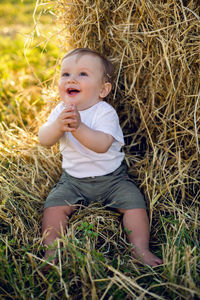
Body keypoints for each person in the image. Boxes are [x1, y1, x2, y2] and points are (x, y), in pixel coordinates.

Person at [38, 48, 162, 267]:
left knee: (135, 204)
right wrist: (57, 126)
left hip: (112, 180)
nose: (71, 79)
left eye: (82, 74)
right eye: (65, 74)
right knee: (53, 206)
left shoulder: (104, 112)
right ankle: (52, 252)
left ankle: (140, 249)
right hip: (73, 181)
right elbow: (44, 139)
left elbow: (102, 145)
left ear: (103, 89)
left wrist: (78, 128)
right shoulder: (60, 111)